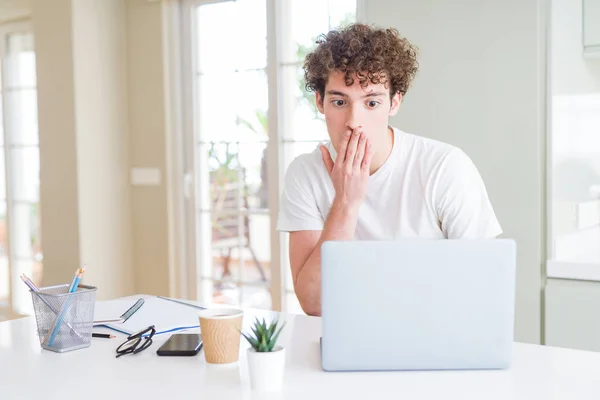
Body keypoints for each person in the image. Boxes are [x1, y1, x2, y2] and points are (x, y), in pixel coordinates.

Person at [276, 23, 502, 316]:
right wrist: (346, 202)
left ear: (394, 102)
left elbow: (484, 286)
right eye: (339, 101)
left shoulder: (445, 167)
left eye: (371, 102)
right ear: (320, 102)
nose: (354, 121)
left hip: (434, 334)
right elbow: (313, 303)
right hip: (346, 340)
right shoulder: (304, 174)